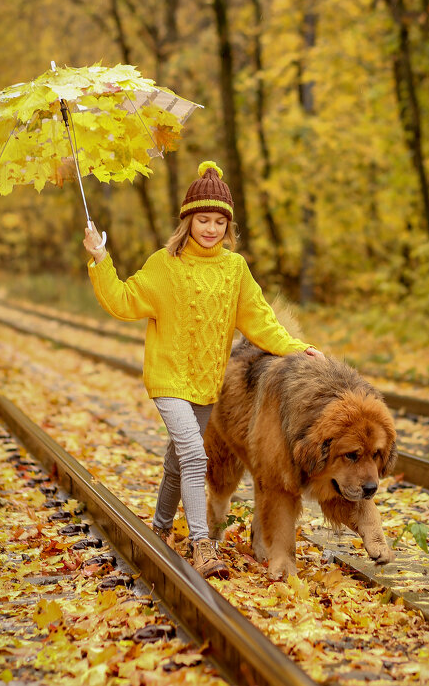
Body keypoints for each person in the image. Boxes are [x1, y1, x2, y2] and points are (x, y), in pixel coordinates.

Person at [83, 161, 323, 579]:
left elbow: (261, 322)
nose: (210, 228)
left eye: (218, 221)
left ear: (227, 226)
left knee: (178, 460)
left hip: (205, 384)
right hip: (167, 378)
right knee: (196, 455)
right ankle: (201, 545)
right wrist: (100, 258)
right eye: (202, 219)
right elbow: (122, 301)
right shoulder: (164, 264)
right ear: (187, 220)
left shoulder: (235, 270)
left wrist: (297, 348)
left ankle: (158, 529)